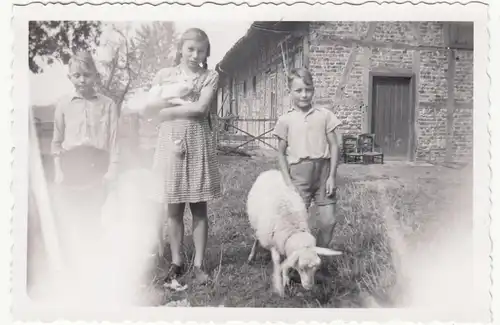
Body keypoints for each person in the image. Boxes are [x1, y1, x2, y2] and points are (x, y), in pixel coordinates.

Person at [144, 28, 221, 285]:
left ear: (206, 52)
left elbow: (201, 109)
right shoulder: (165, 75)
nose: (194, 54)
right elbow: (152, 105)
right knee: (173, 207)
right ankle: (177, 261)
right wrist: (161, 110)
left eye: (200, 50)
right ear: (180, 48)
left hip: (198, 142)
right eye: (190, 49)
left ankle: (199, 264)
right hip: (169, 143)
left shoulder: (210, 76)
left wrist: (168, 111)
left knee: (199, 207)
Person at [51, 51, 120, 267]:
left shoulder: (107, 104)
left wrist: (113, 169)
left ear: (95, 76)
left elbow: (114, 139)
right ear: (69, 77)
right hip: (72, 165)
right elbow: (56, 142)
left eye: (87, 75)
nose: (82, 80)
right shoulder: (63, 104)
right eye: (77, 75)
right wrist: (58, 171)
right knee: (75, 216)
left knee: (98, 214)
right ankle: (75, 264)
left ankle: (97, 263)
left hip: (98, 164)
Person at [272, 67, 342, 280]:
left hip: (322, 173)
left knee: (329, 221)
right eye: (298, 90)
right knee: (296, 226)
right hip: (298, 175)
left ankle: (315, 259)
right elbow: (281, 154)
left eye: (308, 90)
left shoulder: (325, 115)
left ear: (313, 90)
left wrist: (331, 176)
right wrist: (288, 181)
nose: (304, 95)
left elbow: (335, 146)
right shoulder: (285, 120)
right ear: (290, 92)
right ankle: (296, 263)